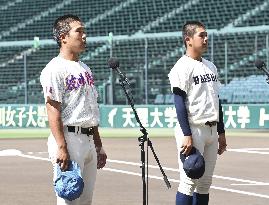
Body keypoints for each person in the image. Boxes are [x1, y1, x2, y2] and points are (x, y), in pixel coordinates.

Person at [40, 14, 107, 205]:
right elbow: (53, 109)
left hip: (88, 139)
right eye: (79, 31)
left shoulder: (85, 68)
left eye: (84, 31)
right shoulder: (54, 69)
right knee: (68, 200)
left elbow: (90, 109)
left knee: (86, 201)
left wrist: (98, 145)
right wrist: (62, 147)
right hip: (69, 140)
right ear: (63, 37)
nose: (84, 35)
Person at [168, 21, 227, 205]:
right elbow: (179, 103)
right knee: (188, 182)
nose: (206, 38)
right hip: (193, 130)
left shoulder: (211, 66)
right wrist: (186, 134)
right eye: (201, 35)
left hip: (211, 130)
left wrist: (221, 132)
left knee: (205, 184)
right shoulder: (181, 67)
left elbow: (216, 101)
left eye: (206, 34)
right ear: (188, 40)